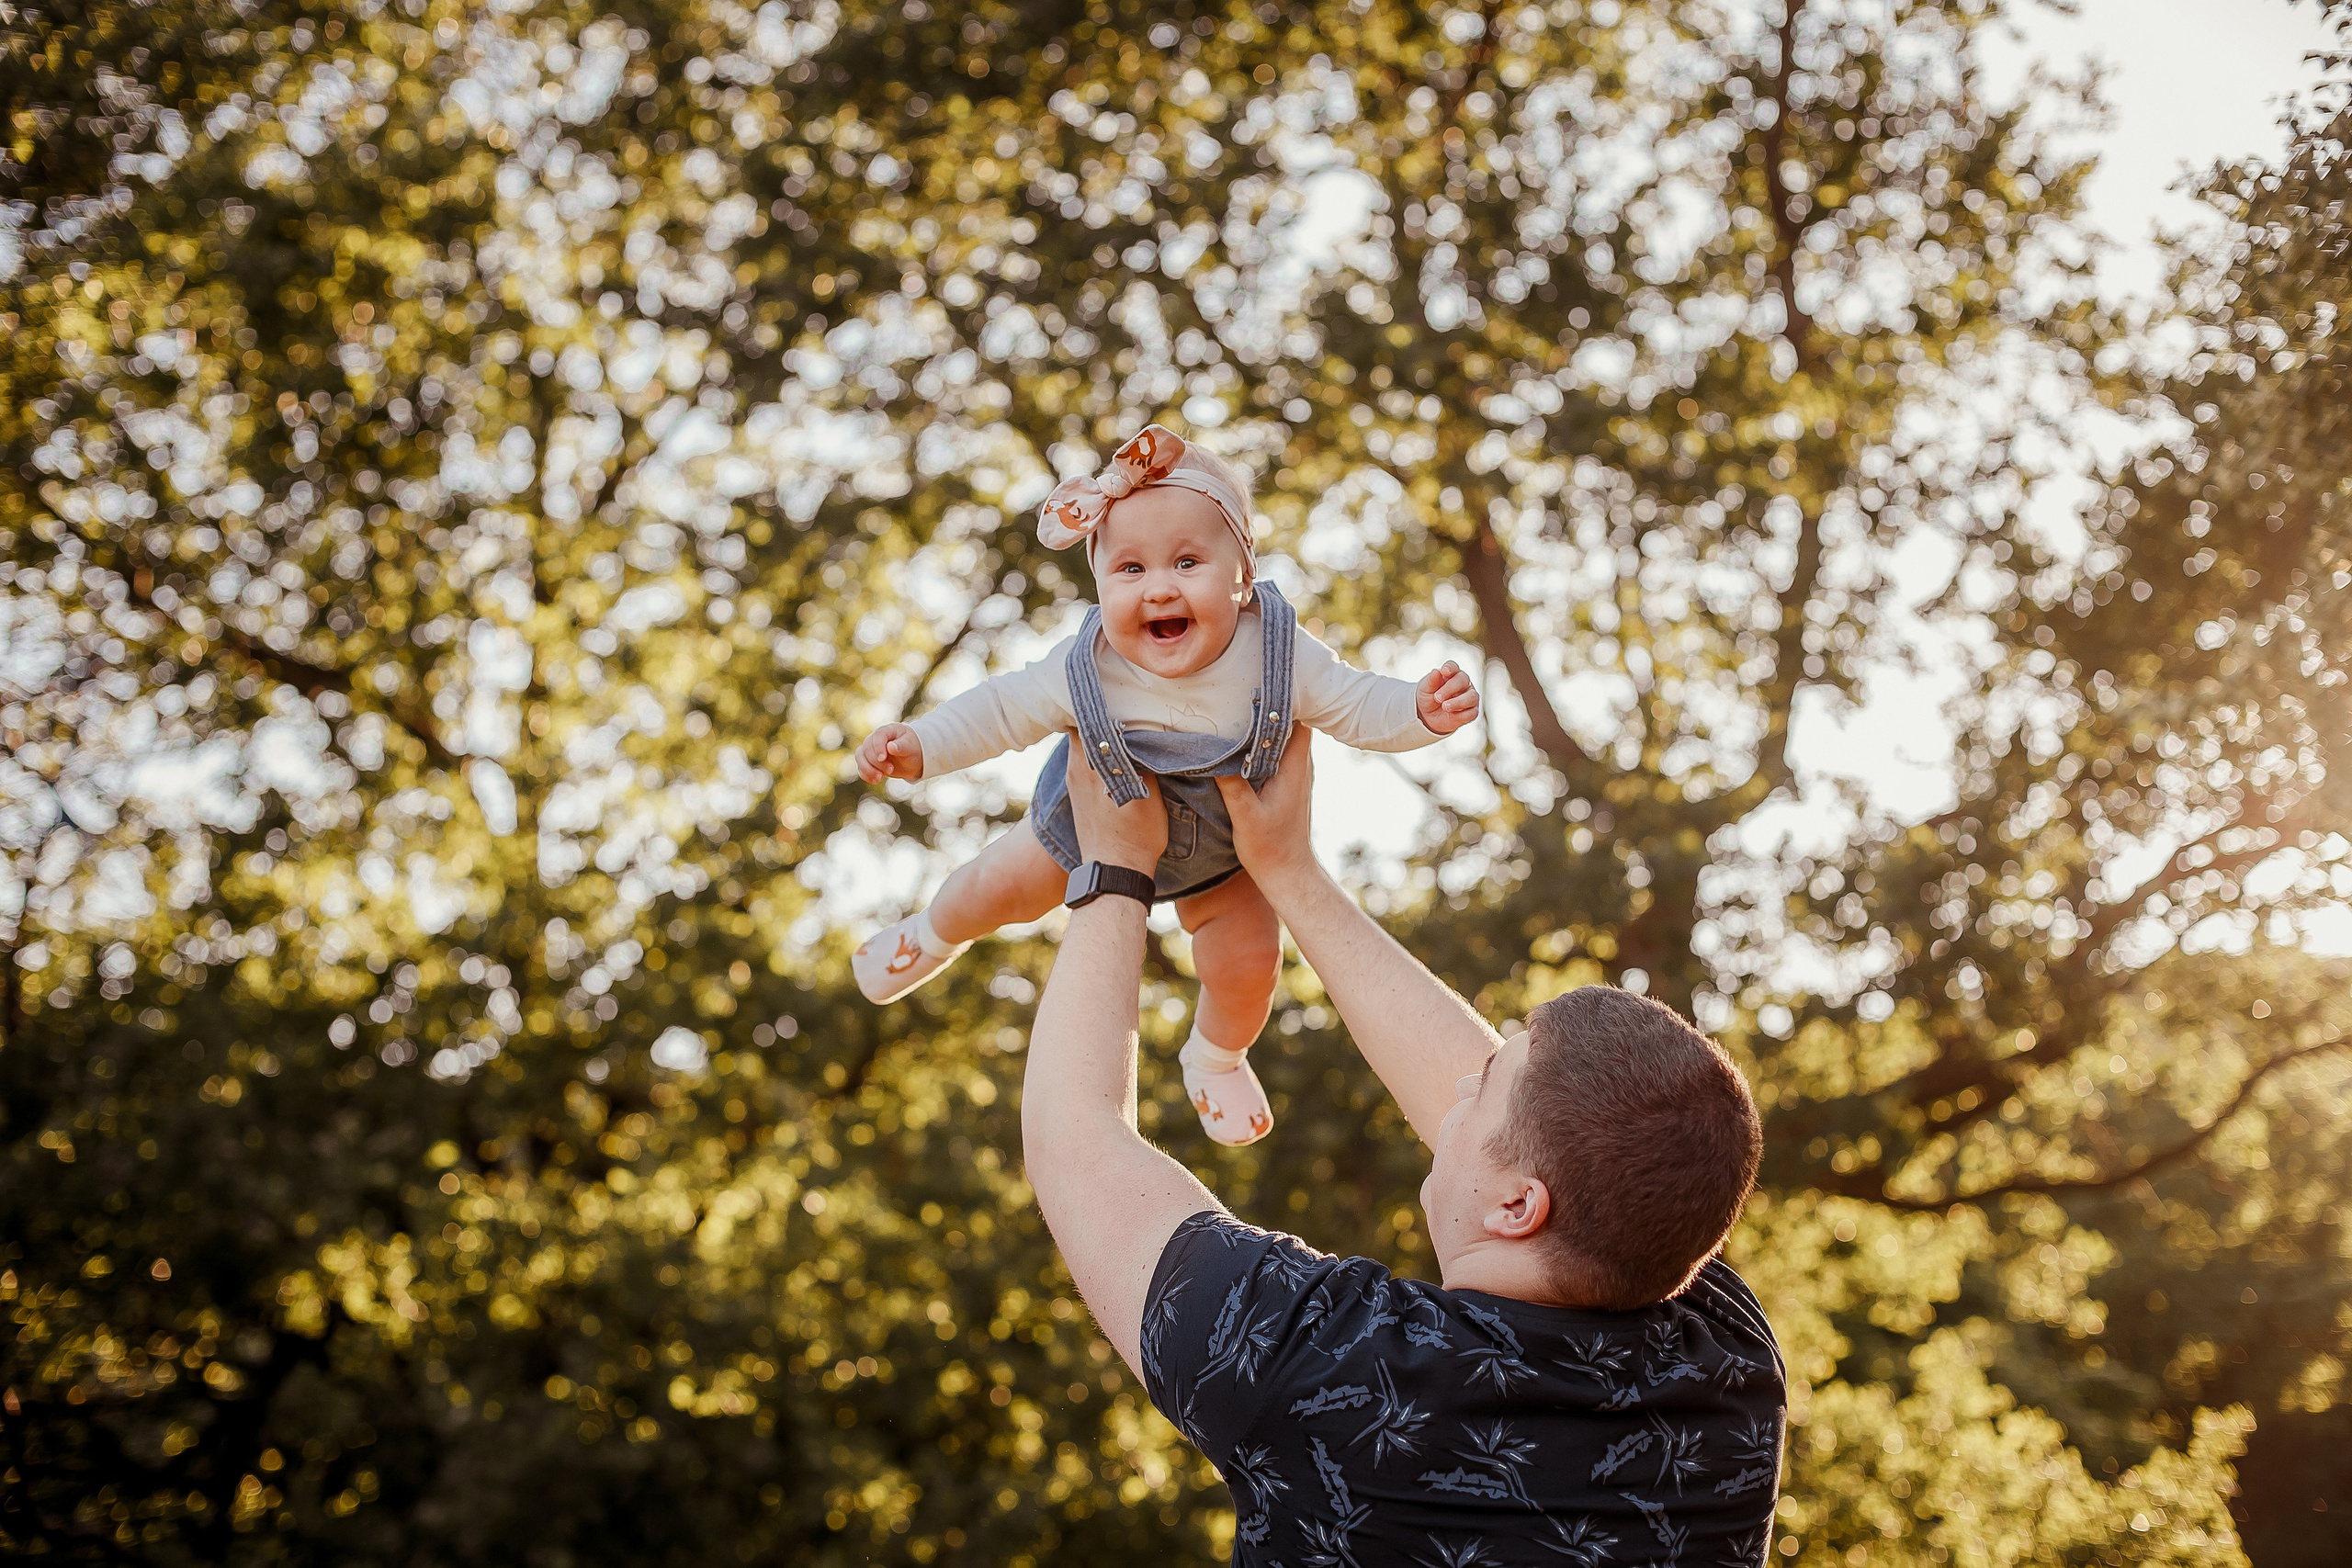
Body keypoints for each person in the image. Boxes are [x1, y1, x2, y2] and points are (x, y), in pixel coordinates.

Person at [1021, 726, 1784, 1565]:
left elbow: (1073, 1140)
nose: (1456, 1091)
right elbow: (1570, 1142)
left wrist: (1115, 867)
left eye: (1483, 1084)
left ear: (1519, 1205)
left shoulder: (1330, 1371)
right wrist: (1287, 870)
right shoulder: (1731, 1376)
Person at [848, 423, 1479, 1146]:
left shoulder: (1277, 651)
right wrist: (922, 745)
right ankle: (926, 936)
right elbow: (998, 710)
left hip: (1229, 854)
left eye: (1187, 561)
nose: (1159, 588)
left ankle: (1215, 1056)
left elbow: (1355, 700)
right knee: (995, 887)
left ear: (1242, 572)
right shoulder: (1087, 662)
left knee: (1250, 965)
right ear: (1099, 582)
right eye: (1130, 568)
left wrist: (1418, 710)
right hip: (1087, 827)